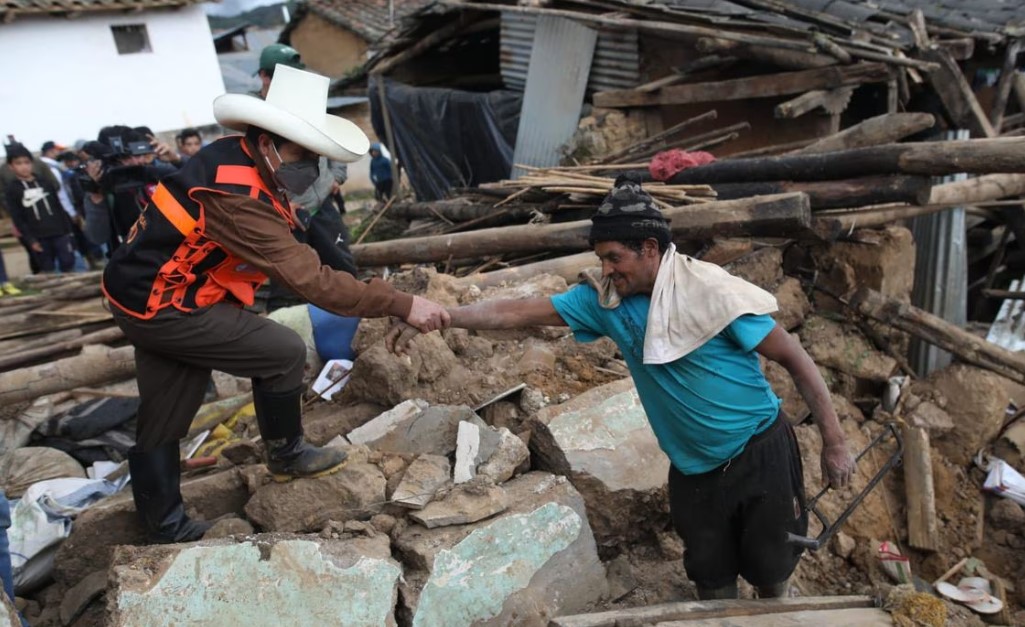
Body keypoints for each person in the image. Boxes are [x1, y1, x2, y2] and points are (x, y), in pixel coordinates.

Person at [388, 175, 856, 600]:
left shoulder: (712, 293)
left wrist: (834, 443)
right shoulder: (606, 303)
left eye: (615, 258)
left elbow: (796, 358)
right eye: (601, 259)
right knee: (711, 580)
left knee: (771, 571)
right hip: (695, 472)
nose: (607, 269)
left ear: (650, 248)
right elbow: (519, 312)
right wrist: (444, 316)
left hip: (759, 453)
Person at [100, 65, 450, 544]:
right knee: (282, 352)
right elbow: (310, 280)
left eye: (314, 158)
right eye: (302, 156)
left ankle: (164, 526)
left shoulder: (235, 159)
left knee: (166, 408)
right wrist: (399, 302)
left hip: (142, 295)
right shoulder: (237, 196)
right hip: (166, 304)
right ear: (268, 143)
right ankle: (285, 453)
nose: (308, 169)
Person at [4, 142, 76, 273]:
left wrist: (68, 230)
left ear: (32, 163)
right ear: (11, 166)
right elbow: (17, 217)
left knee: (68, 262)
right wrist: (30, 240)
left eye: (26, 162)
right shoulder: (12, 189)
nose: (24, 167)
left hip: (59, 231)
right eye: (18, 163)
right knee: (47, 268)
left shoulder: (45, 183)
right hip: (38, 236)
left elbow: (58, 206)